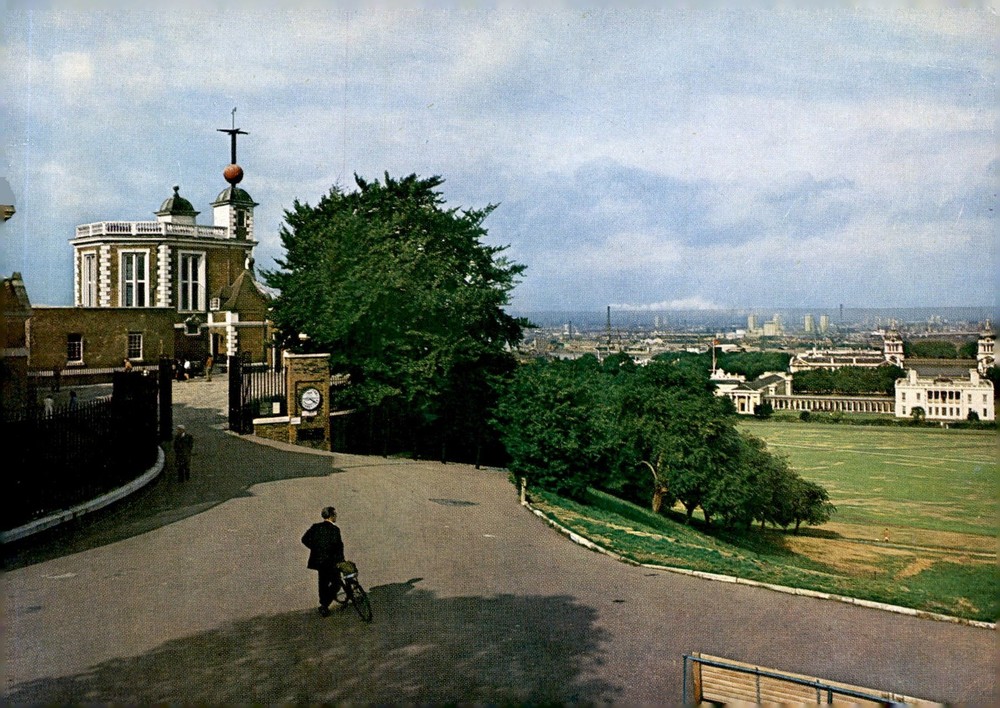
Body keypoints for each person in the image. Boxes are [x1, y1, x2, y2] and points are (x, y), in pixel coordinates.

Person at [301, 506, 345, 617]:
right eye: (335, 514)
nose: (336, 516)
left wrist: (316, 548)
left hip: (319, 561)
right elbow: (339, 547)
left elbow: (304, 539)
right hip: (331, 561)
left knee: (323, 583)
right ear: (331, 516)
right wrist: (341, 560)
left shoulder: (315, 527)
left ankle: (323, 605)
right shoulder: (335, 530)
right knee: (336, 583)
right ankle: (324, 604)